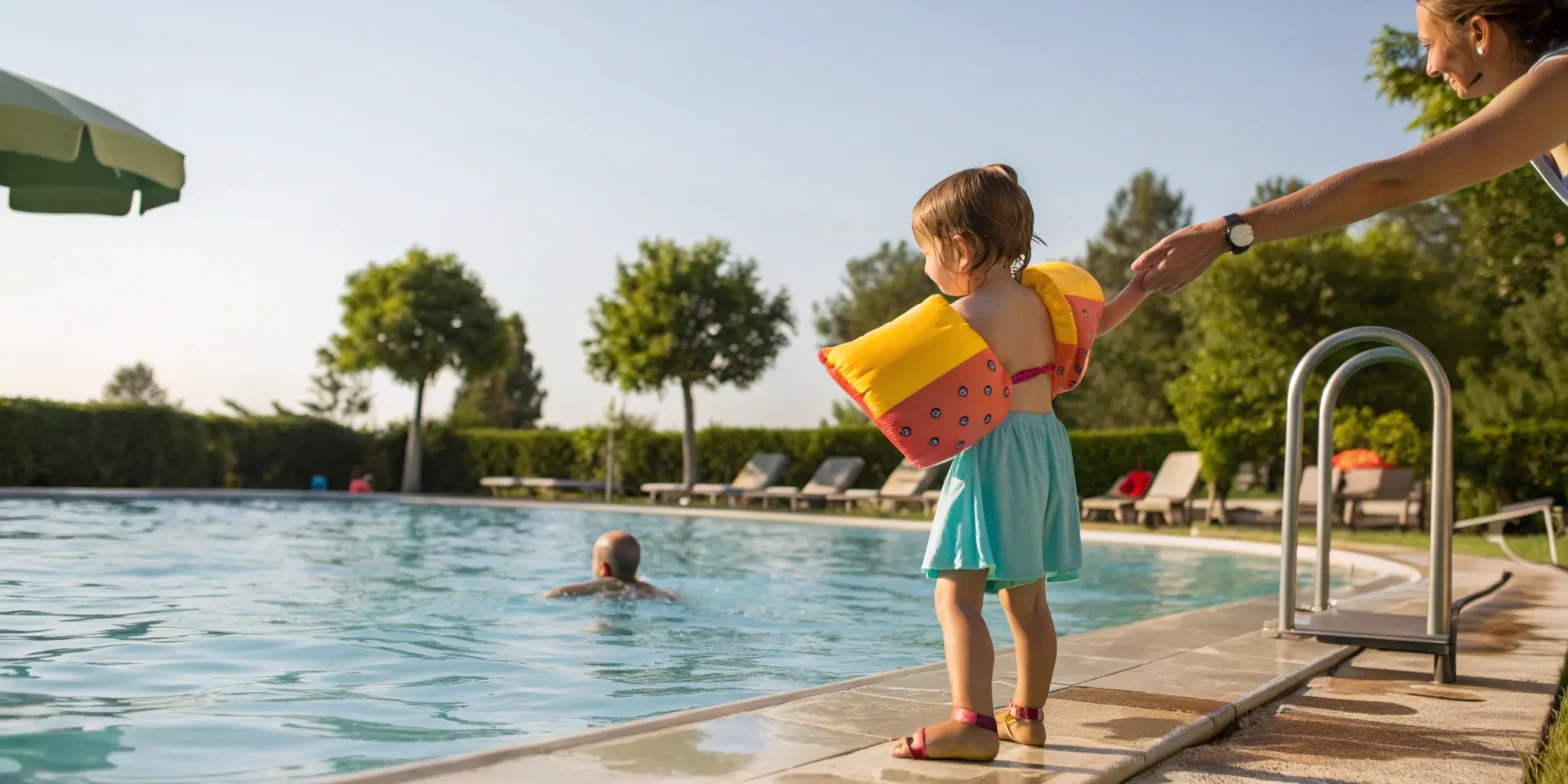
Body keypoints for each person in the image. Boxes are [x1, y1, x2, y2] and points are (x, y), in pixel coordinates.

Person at [890, 164, 1150, 762]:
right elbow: (1101, 321)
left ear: (960, 248)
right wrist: (1138, 287)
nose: (926, 267)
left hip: (997, 453)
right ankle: (1026, 717)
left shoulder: (963, 319)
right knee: (1028, 602)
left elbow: (920, 400)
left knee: (956, 598)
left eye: (926, 252)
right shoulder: (1042, 304)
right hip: (1045, 448)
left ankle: (973, 724)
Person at [1134, 0, 1568, 293]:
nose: (1431, 68)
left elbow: (1391, 183)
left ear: (1478, 32)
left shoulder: (1560, 81)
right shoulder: (1540, 104)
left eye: (1429, 45)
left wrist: (1225, 233)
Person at [543, 530, 675, 600]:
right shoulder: (647, 589)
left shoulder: (605, 586)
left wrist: (549, 594)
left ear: (603, 568)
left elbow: (555, 594)